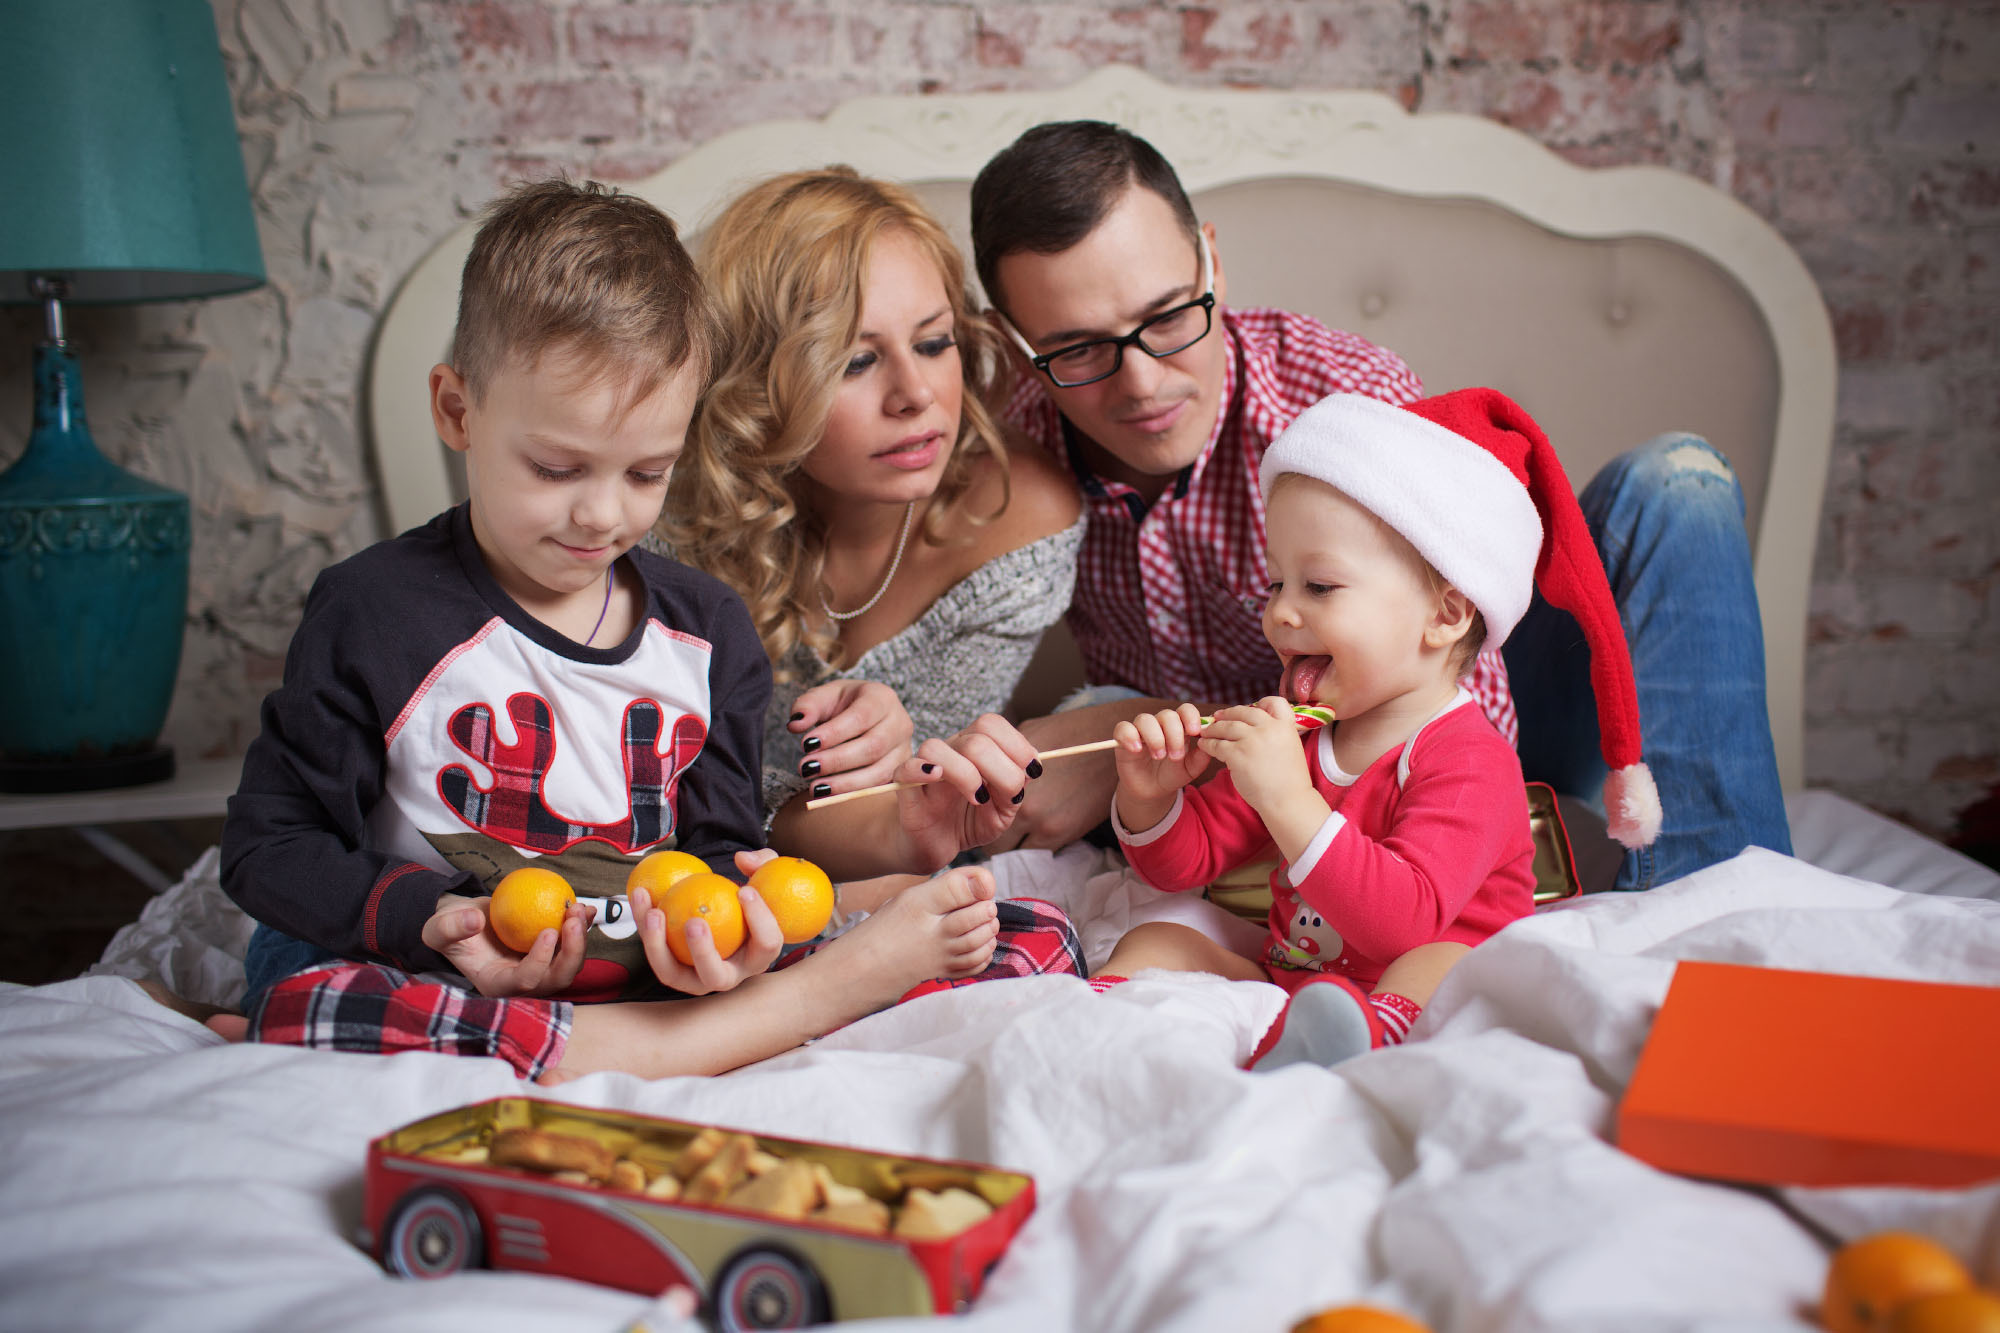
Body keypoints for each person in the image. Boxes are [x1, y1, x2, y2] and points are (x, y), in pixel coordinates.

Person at [217, 178, 1034, 1083]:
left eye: (648, 472)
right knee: (312, 994)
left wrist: (722, 935)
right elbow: (268, 850)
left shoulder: (707, 628)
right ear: (458, 410)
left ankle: (637, 1036)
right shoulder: (373, 611)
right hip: (427, 964)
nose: (602, 516)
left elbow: (713, 854)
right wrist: (427, 917)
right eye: (557, 467)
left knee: (1026, 936)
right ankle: (726, 1026)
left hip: (626, 977)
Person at [965, 119, 1792, 890]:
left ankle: (1722, 924)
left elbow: (1465, 709)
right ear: (1015, 346)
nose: (1143, 383)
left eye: (1170, 316)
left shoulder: (1343, 405)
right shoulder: (1009, 461)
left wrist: (1144, 734)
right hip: (1250, 775)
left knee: (1676, 484)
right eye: (1077, 349)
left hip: (1467, 716)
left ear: (1212, 264)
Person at [1097, 387, 1659, 1068]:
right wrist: (1151, 798)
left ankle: (1365, 1040)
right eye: (1275, 585)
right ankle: (1104, 1036)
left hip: (1415, 973)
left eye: (1319, 587)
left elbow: (1403, 919)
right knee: (1155, 941)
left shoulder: (1469, 759)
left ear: (1445, 615)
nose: (1279, 614)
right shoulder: (1302, 738)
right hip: (1299, 975)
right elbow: (1182, 865)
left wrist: (1285, 798)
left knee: (1440, 960)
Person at [661, 167, 1086, 883]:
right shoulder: (668, 508)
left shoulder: (1018, 516)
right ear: (759, 383)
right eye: (856, 361)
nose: (916, 395)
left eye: (933, 343)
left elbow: (918, 818)